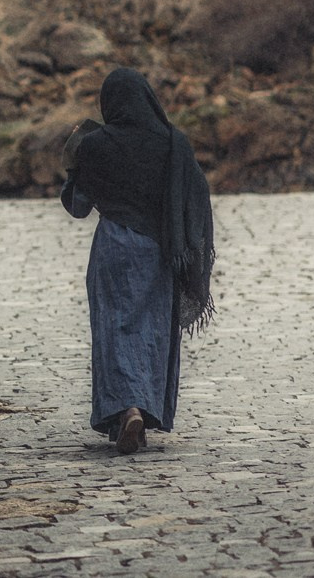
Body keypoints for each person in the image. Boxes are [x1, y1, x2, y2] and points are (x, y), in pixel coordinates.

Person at [60, 68, 215, 455]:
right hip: (159, 251)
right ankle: (142, 410)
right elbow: (195, 193)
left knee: (115, 329)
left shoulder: (96, 145)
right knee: (153, 330)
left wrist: (73, 153)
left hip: (113, 245)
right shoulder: (173, 143)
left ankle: (125, 410)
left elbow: (77, 206)